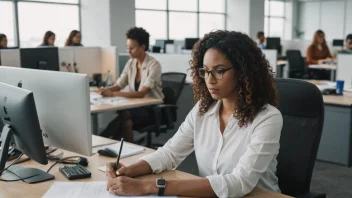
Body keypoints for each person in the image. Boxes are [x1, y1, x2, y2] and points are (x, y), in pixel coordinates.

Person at [105, 30, 283, 197]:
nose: (209, 80)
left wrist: (149, 185)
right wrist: (128, 170)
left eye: (219, 71)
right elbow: (169, 153)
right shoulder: (203, 109)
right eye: (205, 71)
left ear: (243, 72)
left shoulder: (267, 118)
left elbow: (239, 182)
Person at [99, 27, 164, 142]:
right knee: (126, 119)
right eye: (127, 48)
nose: (128, 51)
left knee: (126, 116)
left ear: (143, 47)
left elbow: (141, 93)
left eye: (132, 48)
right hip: (136, 107)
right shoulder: (131, 63)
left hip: (151, 110)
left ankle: (103, 140)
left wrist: (112, 94)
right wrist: (105, 90)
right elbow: (119, 84)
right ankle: (114, 144)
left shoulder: (154, 65)